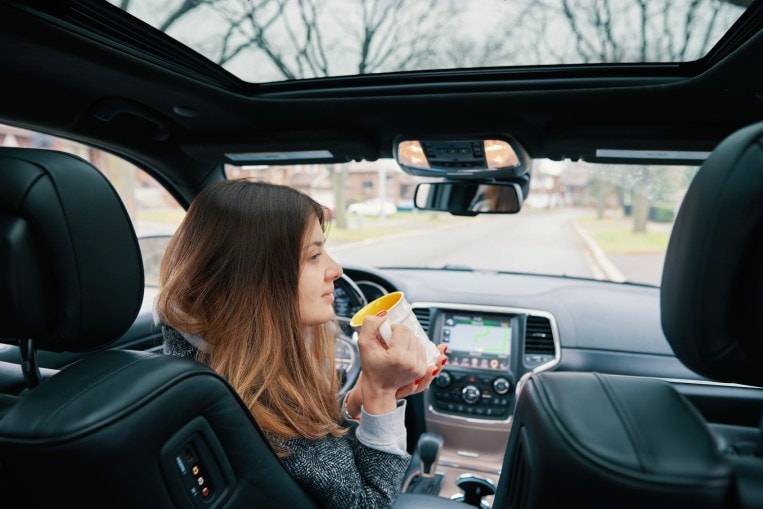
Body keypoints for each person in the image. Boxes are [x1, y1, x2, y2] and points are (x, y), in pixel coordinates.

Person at [155, 179, 447, 508]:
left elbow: (323, 457)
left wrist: (358, 401)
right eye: (314, 256)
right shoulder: (258, 409)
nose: (335, 269)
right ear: (254, 276)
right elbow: (370, 503)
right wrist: (380, 395)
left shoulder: (204, 367)